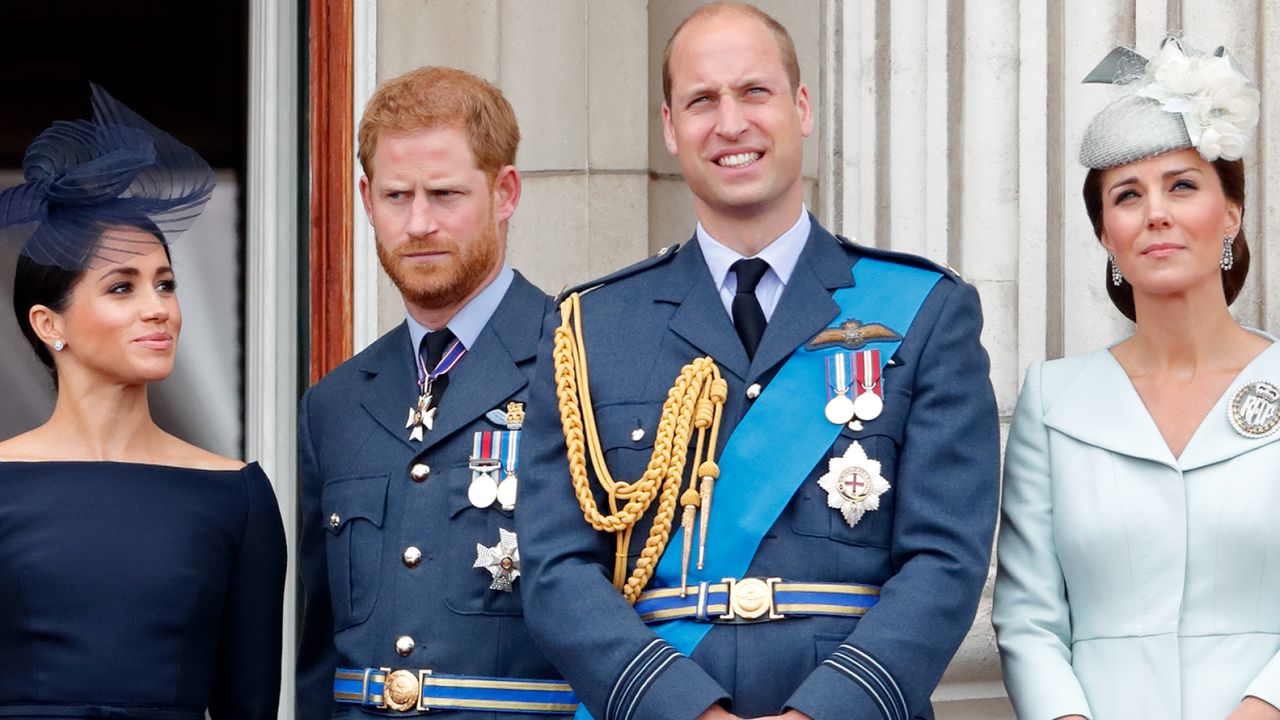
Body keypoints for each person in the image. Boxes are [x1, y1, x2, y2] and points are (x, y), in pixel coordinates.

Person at [516, 4, 999, 720]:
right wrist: (686, 710)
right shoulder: (590, 328)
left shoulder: (923, 310)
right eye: (702, 100)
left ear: (801, 108)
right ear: (670, 128)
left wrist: (824, 712)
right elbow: (558, 571)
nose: (731, 122)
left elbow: (945, 562)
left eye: (754, 91)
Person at [993, 38, 1279, 719]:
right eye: (1128, 195)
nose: (1156, 212)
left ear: (1231, 215)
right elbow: (1028, 616)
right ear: (1107, 237)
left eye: (1182, 185)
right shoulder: (1053, 400)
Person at [296, 66, 577, 717]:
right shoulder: (333, 405)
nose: (418, 222)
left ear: (505, 192)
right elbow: (317, 658)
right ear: (366, 201)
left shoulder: (580, 365)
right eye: (397, 196)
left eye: (444, 194)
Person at [0, 85, 287, 719]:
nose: (158, 307)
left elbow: (250, 706)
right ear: (51, 325)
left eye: (165, 283)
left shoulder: (238, 497)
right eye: (121, 287)